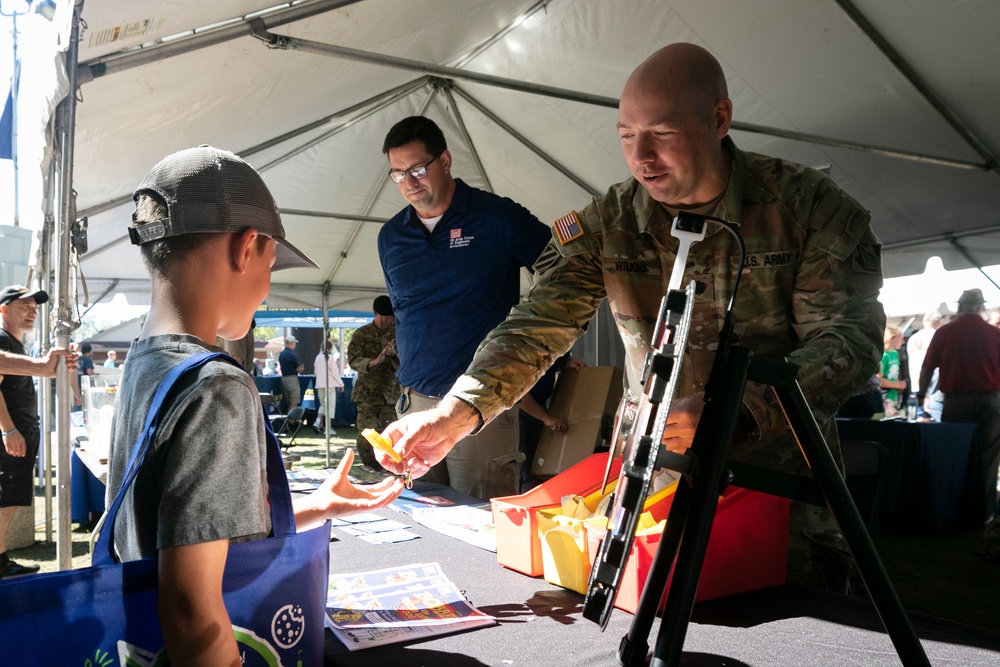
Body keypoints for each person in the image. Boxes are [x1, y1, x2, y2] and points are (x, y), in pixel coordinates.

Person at [378, 44, 885, 585]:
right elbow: (536, 324)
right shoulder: (609, 223)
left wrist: (731, 412)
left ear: (719, 118)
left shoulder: (808, 210)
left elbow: (847, 345)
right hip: (652, 490)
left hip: (775, 489)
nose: (642, 157)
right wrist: (459, 410)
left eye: (662, 134)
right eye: (625, 137)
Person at [107, 145, 403, 665]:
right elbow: (192, 611)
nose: (266, 291)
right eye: (273, 266)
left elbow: (184, 534)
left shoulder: (144, 362)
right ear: (247, 249)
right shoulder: (218, 385)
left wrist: (318, 506)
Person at [377, 116, 551, 499]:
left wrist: (534, 344)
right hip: (415, 403)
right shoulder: (391, 237)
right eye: (399, 173)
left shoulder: (498, 218)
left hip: (480, 405)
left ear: (446, 161)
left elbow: (565, 274)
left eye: (419, 169)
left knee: (483, 526)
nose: (410, 182)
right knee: (417, 518)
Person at [0, 285, 78, 578]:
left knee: (9, 500)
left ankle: (2, 560)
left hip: (19, 435)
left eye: (35, 306)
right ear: (4, 309)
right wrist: (8, 430)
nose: (33, 311)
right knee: (4, 499)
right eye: (24, 305)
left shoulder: (14, 344)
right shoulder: (2, 339)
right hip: (11, 438)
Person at [918, 288, 1000, 523]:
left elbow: (927, 368)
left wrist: (920, 395)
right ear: (981, 307)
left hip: (956, 402)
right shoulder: (995, 334)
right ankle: (982, 515)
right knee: (988, 459)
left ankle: (953, 510)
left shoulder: (944, 332)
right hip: (990, 401)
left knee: (954, 455)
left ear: (960, 307)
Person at [517, 354, 586, 491]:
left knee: (538, 465)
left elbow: (556, 362)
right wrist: (546, 418)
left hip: (540, 405)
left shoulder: (557, 341)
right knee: (520, 465)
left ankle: (536, 497)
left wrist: (567, 363)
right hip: (518, 409)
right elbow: (519, 395)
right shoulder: (524, 348)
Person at [346, 296, 399, 469]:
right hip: (367, 394)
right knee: (366, 434)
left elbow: (406, 362)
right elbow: (353, 360)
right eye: (387, 316)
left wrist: (393, 356)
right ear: (378, 314)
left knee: (392, 435)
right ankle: (370, 468)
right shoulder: (362, 334)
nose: (390, 320)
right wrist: (372, 362)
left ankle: (391, 469)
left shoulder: (398, 334)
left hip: (390, 395)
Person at [907, 310, 945, 420]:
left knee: (920, 420)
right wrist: (926, 395)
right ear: (938, 322)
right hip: (931, 388)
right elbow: (929, 367)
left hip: (917, 385)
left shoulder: (913, 338)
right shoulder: (937, 336)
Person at [312, 339, 344, 434]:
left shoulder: (317, 357)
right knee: (330, 406)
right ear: (330, 348)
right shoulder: (329, 357)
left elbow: (315, 372)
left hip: (319, 385)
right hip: (329, 385)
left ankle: (317, 422)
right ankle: (328, 428)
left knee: (323, 404)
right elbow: (335, 373)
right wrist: (341, 384)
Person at [879, 327, 906, 417]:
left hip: (893, 396)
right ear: (891, 339)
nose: (903, 342)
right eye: (901, 338)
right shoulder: (883, 356)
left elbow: (895, 374)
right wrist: (898, 385)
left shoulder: (895, 353)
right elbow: (878, 380)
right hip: (884, 397)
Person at [278, 335, 304, 411]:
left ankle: (289, 420)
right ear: (292, 343)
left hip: (284, 378)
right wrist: (301, 369)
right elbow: (299, 369)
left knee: (289, 401)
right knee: (295, 401)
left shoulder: (281, 354)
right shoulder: (292, 355)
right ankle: (288, 421)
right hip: (292, 379)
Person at [74, 341, 95, 410]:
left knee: (77, 402)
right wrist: (96, 375)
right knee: (87, 403)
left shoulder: (78, 359)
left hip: (77, 383)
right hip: (86, 384)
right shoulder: (88, 360)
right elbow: (89, 372)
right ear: (89, 351)